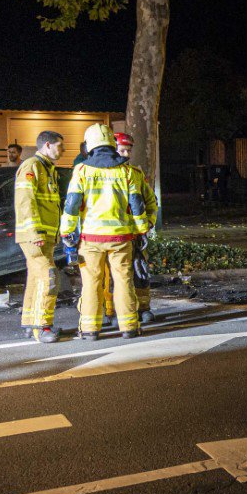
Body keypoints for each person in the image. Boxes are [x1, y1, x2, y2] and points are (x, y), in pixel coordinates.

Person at [59, 123, 152, 340]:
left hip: (90, 239)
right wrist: (141, 231)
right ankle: (129, 327)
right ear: (112, 144)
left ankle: (90, 329)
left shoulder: (81, 170)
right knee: (123, 281)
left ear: (90, 145)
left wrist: (67, 232)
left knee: (92, 283)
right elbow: (137, 204)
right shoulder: (126, 171)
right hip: (121, 238)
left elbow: (72, 205)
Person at [14, 131, 65, 343]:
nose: (61, 150)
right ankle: (42, 327)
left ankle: (29, 322)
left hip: (45, 235)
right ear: (47, 145)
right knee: (49, 277)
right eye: (59, 146)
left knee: (36, 279)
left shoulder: (47, 168)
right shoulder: (32, 167)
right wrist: (35, 232)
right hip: (35, 236)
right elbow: (25, 202)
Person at [112, 132, 159, 323]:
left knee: (140, 273)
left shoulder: (136, 174)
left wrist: (149, 222)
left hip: (135, 235)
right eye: (122, 150)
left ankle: (143, 308)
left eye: (128, 150)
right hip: (113, 236)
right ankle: (114, 311)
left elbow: (150, 201)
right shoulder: (101, 175)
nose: (126, 154)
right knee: (115, 277)